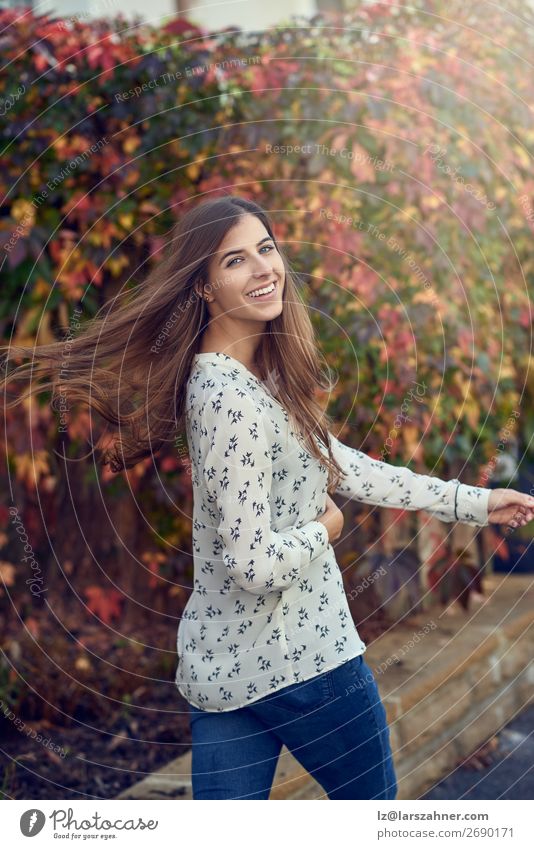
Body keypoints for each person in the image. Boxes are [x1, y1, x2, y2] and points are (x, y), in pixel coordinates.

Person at [3, 194, 534, 800]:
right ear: (203, 287)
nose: (263, 269)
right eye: (235, 261)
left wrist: (474, 502)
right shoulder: (227, 397)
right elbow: (253, 565)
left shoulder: (257, 379)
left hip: (227, 671)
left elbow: (344, 466)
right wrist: (325, 531)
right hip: (308, 664)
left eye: (266, 249)